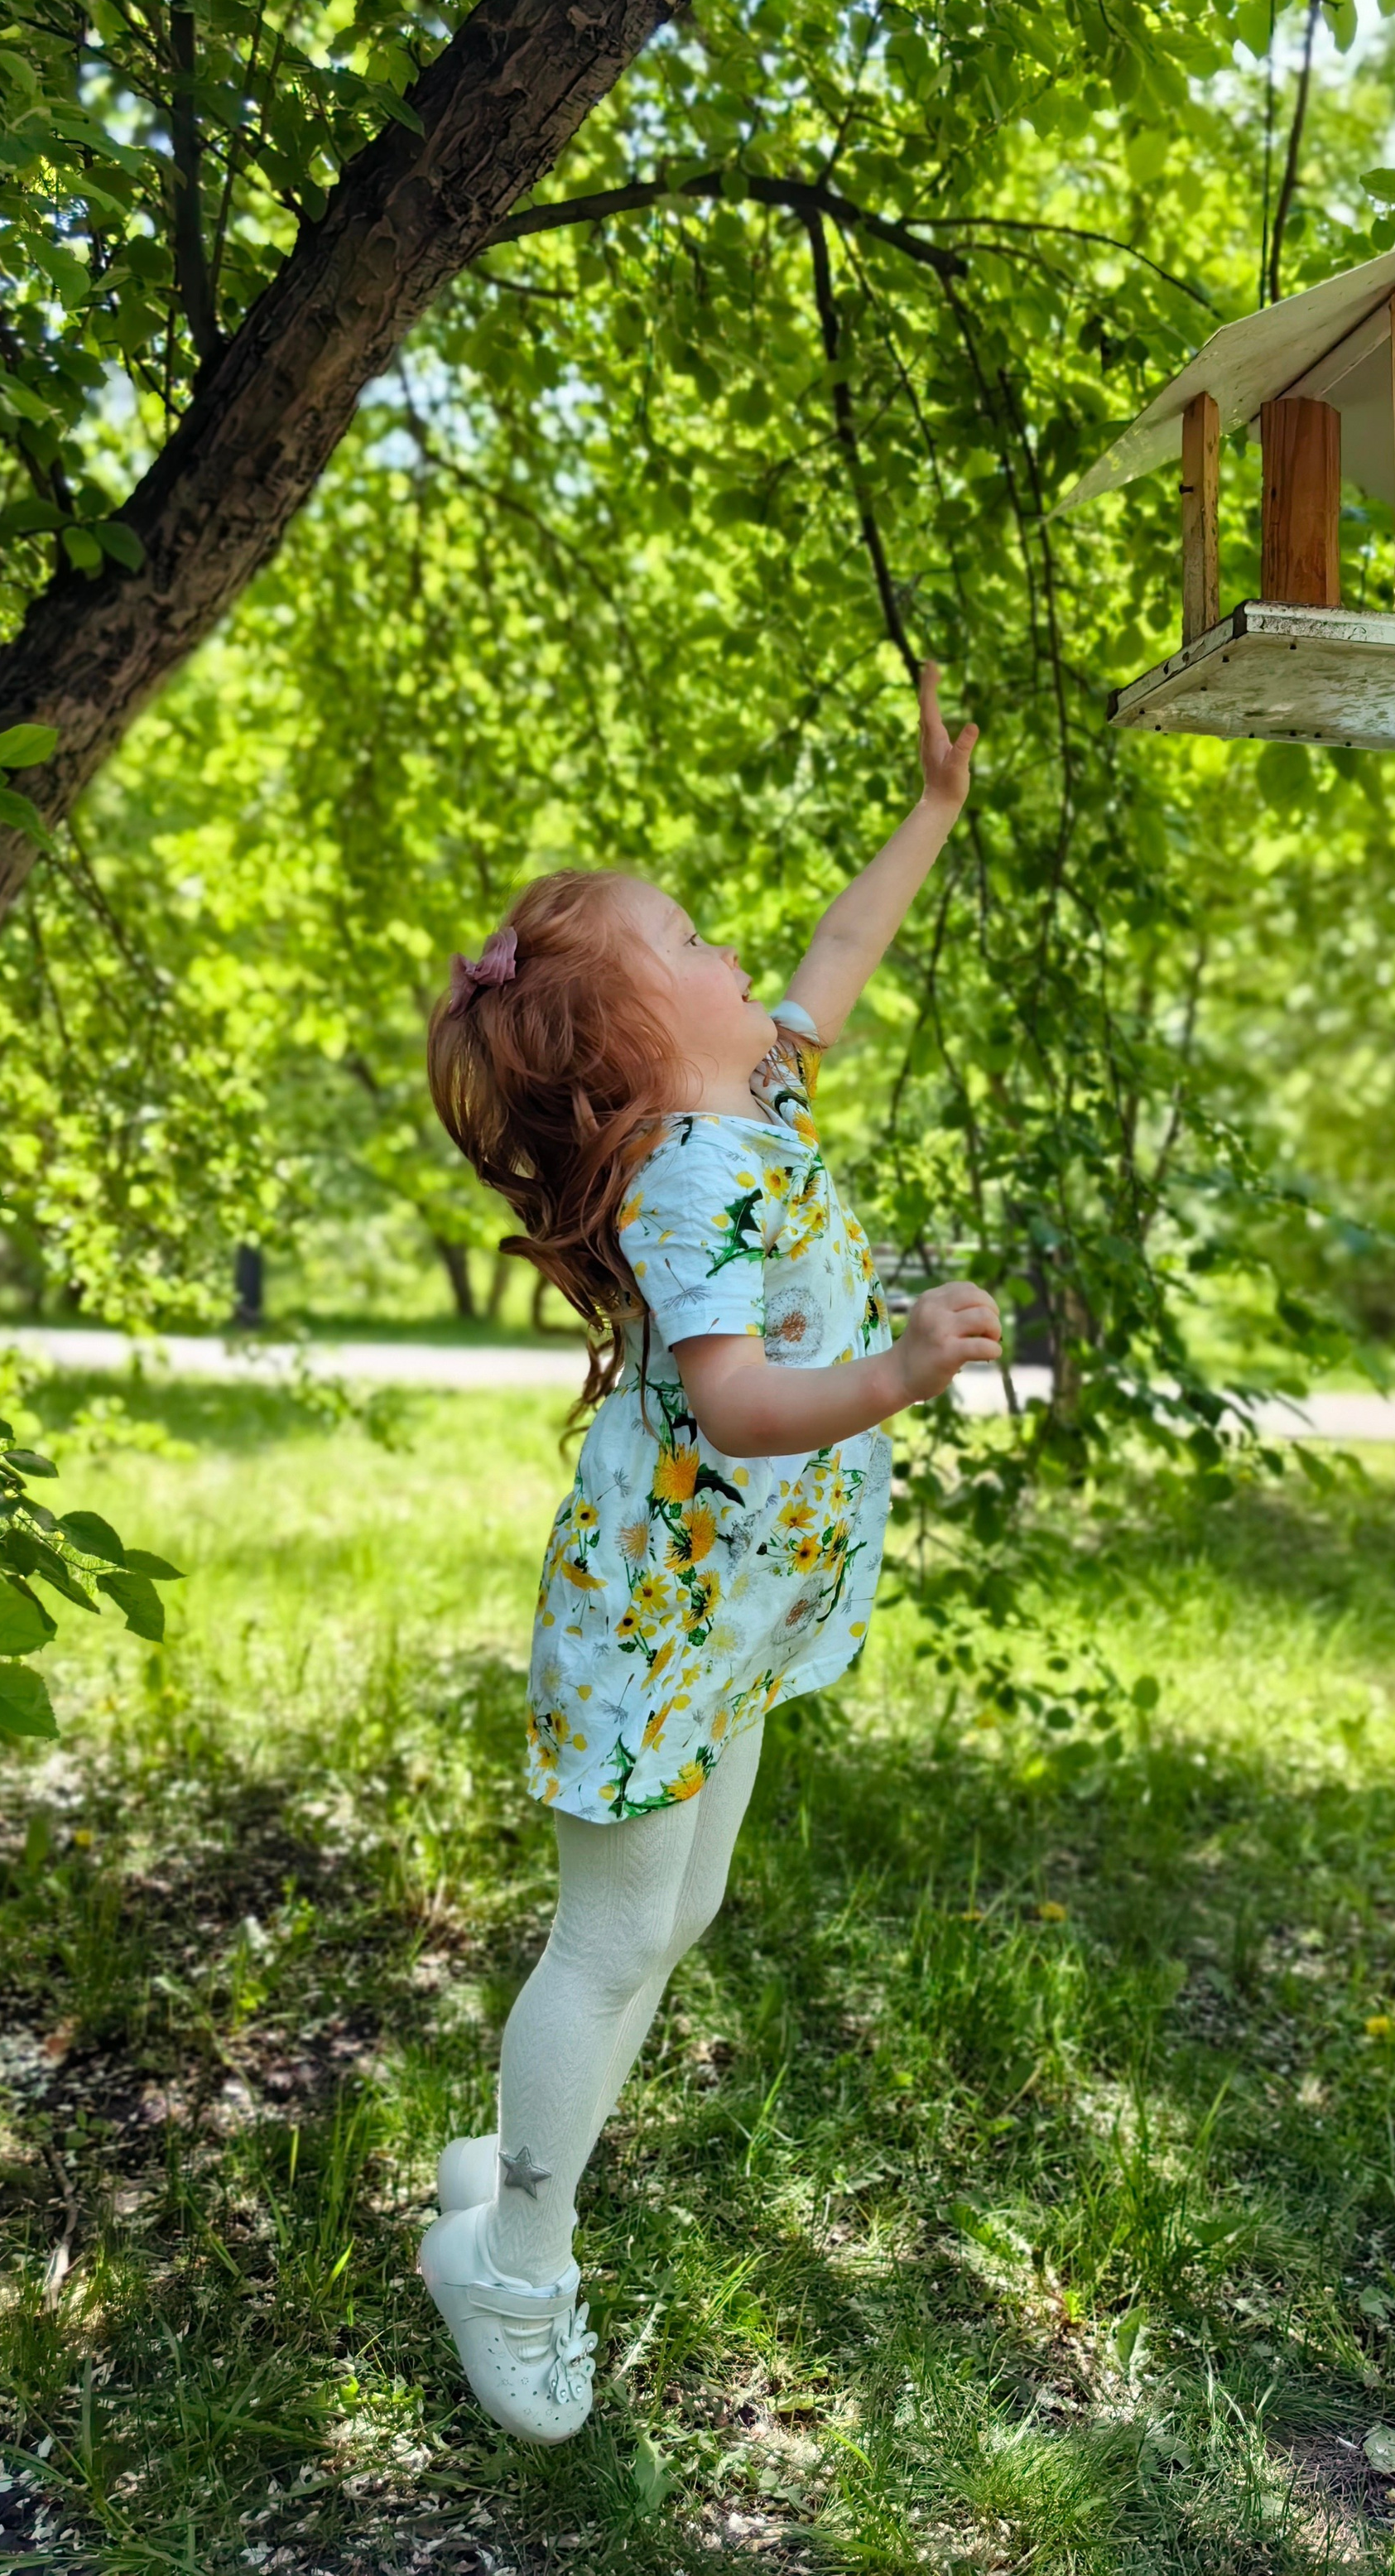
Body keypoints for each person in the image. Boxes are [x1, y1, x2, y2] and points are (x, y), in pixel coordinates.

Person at [417, 662, 1001, 2442]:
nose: (733, 949)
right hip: (659, 1619)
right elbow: (738, 1403)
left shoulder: (752, 1095)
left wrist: (930, 813)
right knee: (607, 1944)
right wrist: (899, 1367)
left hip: (734, 1608)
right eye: (686, 936)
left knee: (679, 1914)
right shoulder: (686, 1174)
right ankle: (512, 2255)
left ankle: (504, 2170)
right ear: (623, 1036)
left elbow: (833, 961)